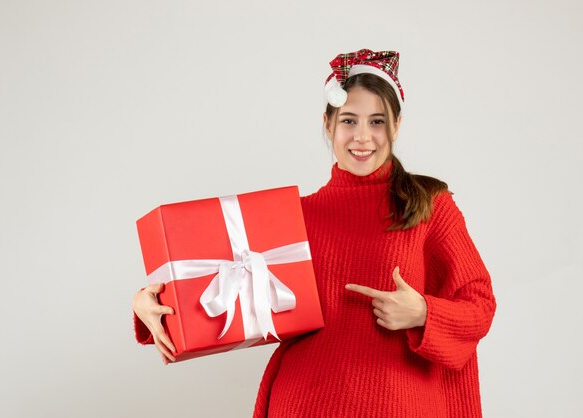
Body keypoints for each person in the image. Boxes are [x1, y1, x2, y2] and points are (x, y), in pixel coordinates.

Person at [132, 49, 497, 418]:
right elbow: (215, 295)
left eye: (377, 122)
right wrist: (150, 306)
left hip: (401, 404)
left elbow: (479, 305)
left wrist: (423, 312)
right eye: (349, 121)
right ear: (327, 124)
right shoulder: (291, 217)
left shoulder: (429, 205)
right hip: (305, 403)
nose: (362, 137)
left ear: (397, 126)